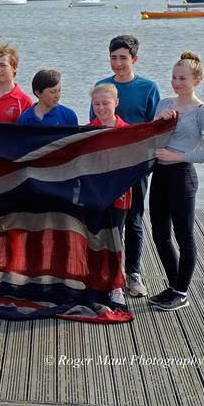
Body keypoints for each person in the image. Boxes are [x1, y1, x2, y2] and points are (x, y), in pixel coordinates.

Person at [90, 35, 160, 299]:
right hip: (108, 168)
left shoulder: (148, 88)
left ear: (134, 59)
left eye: (123, 58)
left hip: (137, 166)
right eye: (113, 58)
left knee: (134, 219)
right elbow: (93, 126)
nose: (118, 63)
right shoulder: (102, 87)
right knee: (109, 221)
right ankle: (110, 275)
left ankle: (133, 273)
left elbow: (154, 129)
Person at [148, 52, 204, 312]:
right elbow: (151, 140)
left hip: (183, 175)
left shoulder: (203, 113)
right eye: (174, 77)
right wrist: (157, 123)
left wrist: (177, 155)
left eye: (183, 78)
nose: (177, 82)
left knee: (184, 235)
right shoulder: (164, 103)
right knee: (159, 234)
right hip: (160, 174)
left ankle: (182, 291)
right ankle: (173, 285)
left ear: (197, 81)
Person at [87, 83, 132, 306]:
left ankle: (116, 286)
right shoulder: (86, 131)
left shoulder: (129, 132)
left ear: (116, 103)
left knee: (115, 240)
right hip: (94, 196)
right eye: (97, 104)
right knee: (94, 237)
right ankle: (95, 284)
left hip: (119, 196)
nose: (101, 108)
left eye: (106, 103)